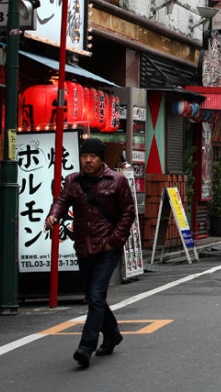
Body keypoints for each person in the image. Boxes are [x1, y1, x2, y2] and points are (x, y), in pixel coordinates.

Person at [44, 138, 136, 369]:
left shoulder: (117, 180)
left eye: (92, 157)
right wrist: (53, 216)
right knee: (93, 297)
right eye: (85, 156)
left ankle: (86, 347)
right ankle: (113, 334)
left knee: (95, 295)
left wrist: (113, 241)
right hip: (84, 246)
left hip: (107, 247)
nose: (88, 160)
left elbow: (128, 213)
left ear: (101, 159)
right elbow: (62, 201)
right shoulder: (73, 181)